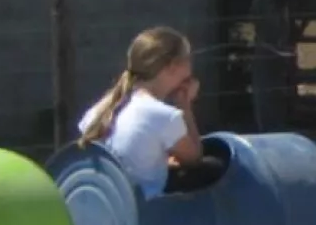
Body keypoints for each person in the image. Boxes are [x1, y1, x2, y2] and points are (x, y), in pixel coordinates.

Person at [78, 26, 226, 199]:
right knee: (214, 167)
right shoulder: (164, 115)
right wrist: (184, 104)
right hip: (147, 206)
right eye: (187, 60)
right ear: (173, 67)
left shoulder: (99, 110)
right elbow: (193, 157)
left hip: (109, 201)